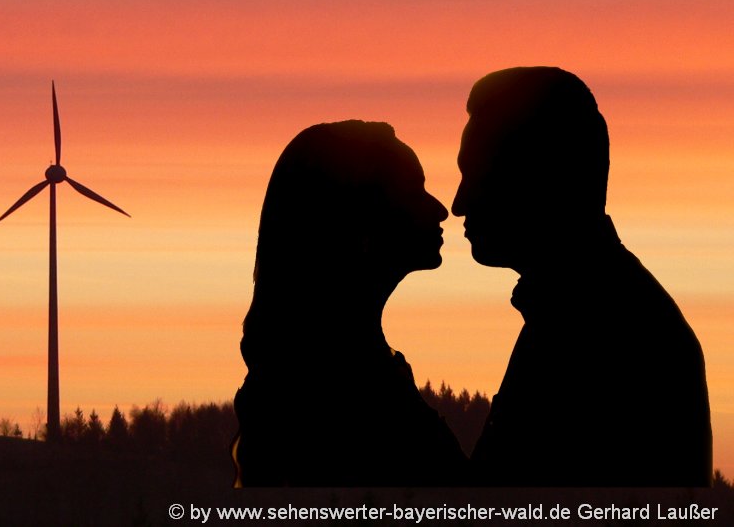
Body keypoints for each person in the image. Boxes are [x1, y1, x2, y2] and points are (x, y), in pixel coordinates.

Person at [454, 67, 711, 486]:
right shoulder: (578, 312)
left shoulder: (613, 333)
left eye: (476, 176)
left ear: (539, 177)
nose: (459, 204)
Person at [233, 120, 465, 487]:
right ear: (362, 219)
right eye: (415, 190)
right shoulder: (330, 394)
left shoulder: (324, 372)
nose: (441, 209)